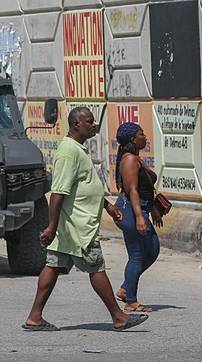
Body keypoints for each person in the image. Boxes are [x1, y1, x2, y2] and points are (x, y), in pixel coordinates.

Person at [23, 107, 149, 331]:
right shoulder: (69, 152)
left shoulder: (78, 149)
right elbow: (58, 192)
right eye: (89, 122)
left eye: (93, 121)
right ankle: (119, 317)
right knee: (96, 268)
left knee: (52, 266)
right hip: (79, 226)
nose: (93, 125)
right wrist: (51, 226)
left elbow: (82, 187)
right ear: (75, 125)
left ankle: (34, 317)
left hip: (71, 225)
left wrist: (107, 206)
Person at [113, 122, 161, 313]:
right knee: (137, 255)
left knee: (153, 250)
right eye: (141, 133)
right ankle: (131, 300)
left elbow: (145, 187)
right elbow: (132, 190)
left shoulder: (135, 158)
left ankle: (126, 288)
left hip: (141, 209)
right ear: (133, 138)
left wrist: (153, 209)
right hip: (131, 211)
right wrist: (140, 217)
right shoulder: (130, 160)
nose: (145, 136)